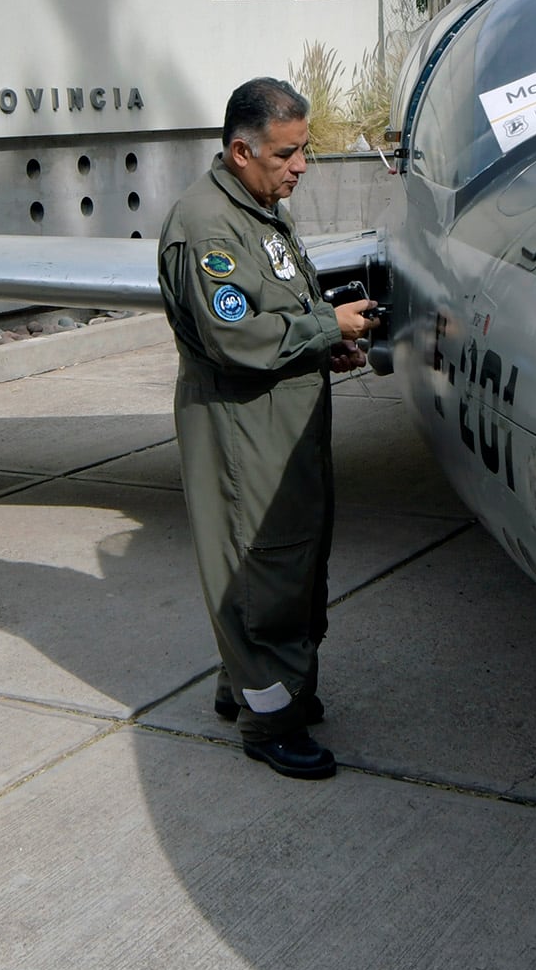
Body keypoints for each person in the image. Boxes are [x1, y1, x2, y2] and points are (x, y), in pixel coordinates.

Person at [158, 77, 379, 780]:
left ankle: (250, 687)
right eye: (288, 153)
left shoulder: (256, 206)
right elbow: (234, 337)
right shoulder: (208, 227)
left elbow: (278, 308)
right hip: (241, 426)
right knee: (264, 570)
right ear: (240, 150)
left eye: (303, 150)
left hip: (280, 420)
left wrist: (324, 342)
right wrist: (323, 326)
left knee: (291, 560)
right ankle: (268, 720)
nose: (301, 166)